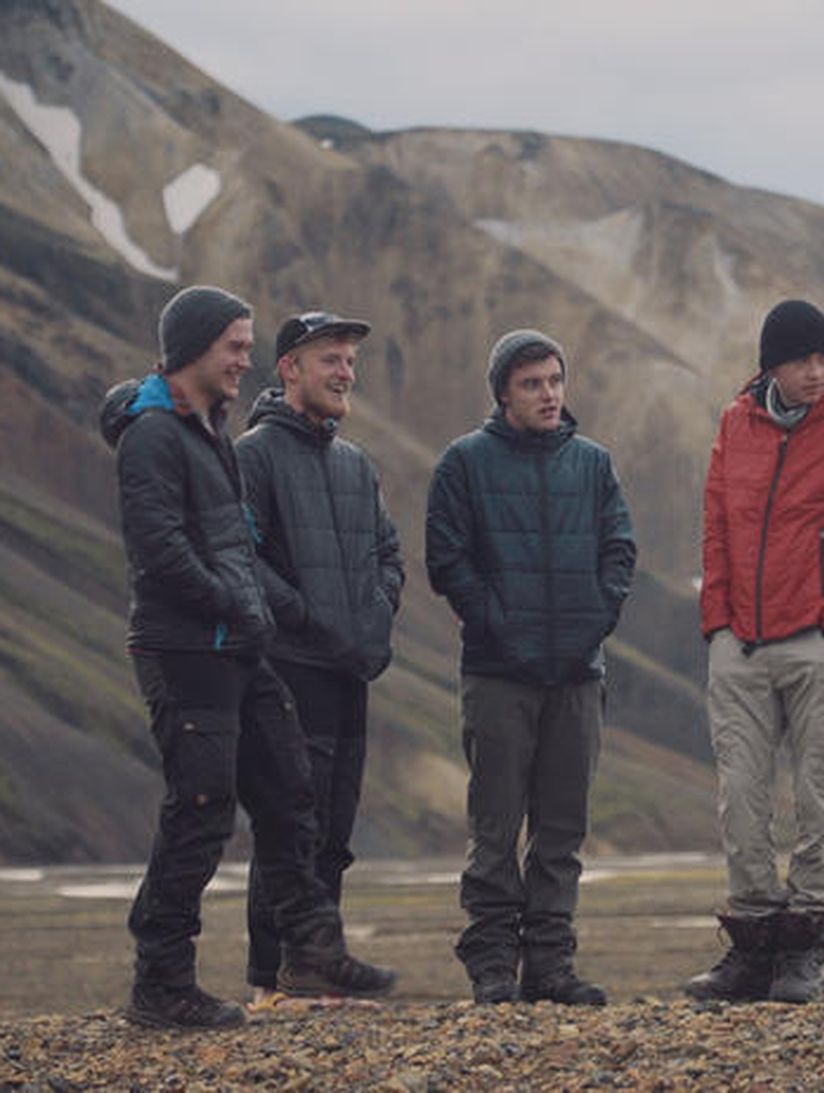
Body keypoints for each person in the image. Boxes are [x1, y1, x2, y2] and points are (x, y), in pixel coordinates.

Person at [98, 285, 396, 1030]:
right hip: (187, 646)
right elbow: (161, 550)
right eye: (234, 344)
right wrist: (241, 604)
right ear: (195, 347)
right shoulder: (155, 436)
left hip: (238, 645)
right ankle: (161, 981)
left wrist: (247, 614)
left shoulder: (204, 429)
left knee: (290, 790)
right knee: (199, 811)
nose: (243, 358)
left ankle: (311, 944)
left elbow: (230, 542)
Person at [686, 299, 824, 1004]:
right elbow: (716, 523)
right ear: (771, 364)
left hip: (817, 640)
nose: (817, 371)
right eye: (804, 359)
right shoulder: (734, 423)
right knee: (740, 799)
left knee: (821, 797)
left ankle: (803, 952)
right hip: (739, 644)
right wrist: (716, 618)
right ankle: (750, 950)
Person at [425, 329, 636, 1005]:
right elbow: (446, 558)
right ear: (503, 394)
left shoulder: (593, 464)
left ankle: (550, 964)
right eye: (532, 383)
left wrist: (594, 619)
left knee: (562, 828)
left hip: (577, 675)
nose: (548, 394)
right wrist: (495, 623)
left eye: (554, 380)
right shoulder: (464, 463)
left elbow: (620, 550)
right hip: (498, 675)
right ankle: (492, 964)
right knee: (495, 826)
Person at [236, 310, 405, 1004]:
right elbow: (241, 556)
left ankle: (315, 966)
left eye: (349, 361)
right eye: (330, 359)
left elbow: (390, 555)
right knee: (289, 821)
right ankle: (270, 973)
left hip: (347, 670)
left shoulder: (354, 463)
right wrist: (307, 619)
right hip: (287, 667)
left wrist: (373, 614)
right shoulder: (253, 454)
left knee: (334, 825)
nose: (345, 373)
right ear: (289, 369)